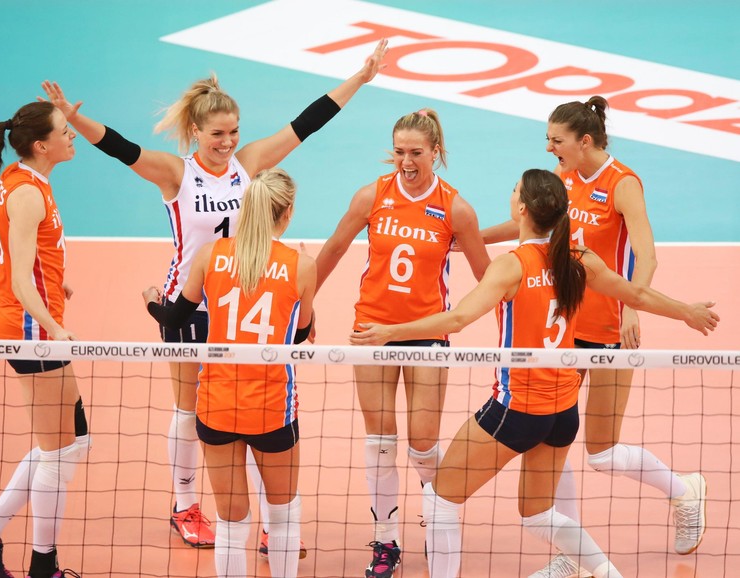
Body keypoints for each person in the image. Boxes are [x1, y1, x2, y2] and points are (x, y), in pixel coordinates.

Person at [41, 38, 387, 552]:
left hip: (243, 306)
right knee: (191, 411)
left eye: (234, 132)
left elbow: (307, 123)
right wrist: (74, 118)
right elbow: (119, 147)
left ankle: (273, 521)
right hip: (188, 308)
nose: (228, 142)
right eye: (218, 133)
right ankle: (184, 506)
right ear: (197, 132)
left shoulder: (250, 163)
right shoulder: (176, 173)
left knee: (258, 410)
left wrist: (359, 78)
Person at [351, 168, 719, 578]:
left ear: (523, 209)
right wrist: (687, 312)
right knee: (538, 514)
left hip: (517, 409)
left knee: (440, 500)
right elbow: (636, 294)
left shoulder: (512, 266)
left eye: (514, 191)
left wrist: (389, 332)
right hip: (563, 412)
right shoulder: (580, 259)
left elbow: (456, 319)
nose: (510, 196)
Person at [480, 96, 708, 576]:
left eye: (556, 140)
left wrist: (631, 307)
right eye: (548, 140)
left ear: (584, 141)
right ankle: (574, 557)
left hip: (607, 333)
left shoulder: (622, 183)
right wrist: (470, 237)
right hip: (563, 332)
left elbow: (646, 253)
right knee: (554, 441)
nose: (549, 148)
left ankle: (684, 490)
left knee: (602, 453)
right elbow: (526, 221)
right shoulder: (562, 177)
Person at [315, 108, 491, 577]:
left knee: (423, 445)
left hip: (427, 335)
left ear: (436, 152)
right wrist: (303, 304)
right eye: (399, 152)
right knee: (380, 443)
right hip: (371, 331)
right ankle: (386, 541)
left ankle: (438, 517)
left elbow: (490, 278)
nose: (407, 162)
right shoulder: (372, 195)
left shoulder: (455, 208)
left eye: (416, 153)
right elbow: (333, 249)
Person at [143, 168, 313, 577]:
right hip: (271, 408)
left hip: (216, 404)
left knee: (231, 523)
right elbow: (299, 334)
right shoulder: (301, 265)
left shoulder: (210, 255)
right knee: (283, 517)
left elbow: (174, 320)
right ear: (288, 212)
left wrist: (150, 301)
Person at [0, 102, 88, 578]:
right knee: (60, 451)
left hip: (34, 323)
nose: (72, 136)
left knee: (74, 442)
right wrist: (54, 327)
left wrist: (56, 282)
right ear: (41, 145)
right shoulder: (27, 193)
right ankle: (42, 566)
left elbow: (25, 258)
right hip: (32, 331)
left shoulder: (20, 178)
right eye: (65, 131)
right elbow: (18, 280)